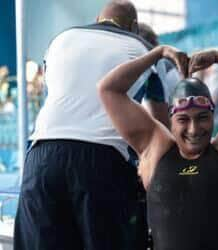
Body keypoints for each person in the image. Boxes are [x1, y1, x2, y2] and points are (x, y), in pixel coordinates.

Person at [98, 46, 218, 249]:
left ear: (213, 116)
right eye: (183, 119)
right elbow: (108, 89)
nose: (194, 129)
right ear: (171, 120)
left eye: (202, 118)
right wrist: (158, 54)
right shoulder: (155, 149)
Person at [14, 1, 168, 250]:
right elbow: (162, 127)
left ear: (98, 19)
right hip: (103, 160)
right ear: (134, 27)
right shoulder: (144, 49)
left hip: (41, 160)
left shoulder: (60, 41)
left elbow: (53, 97)